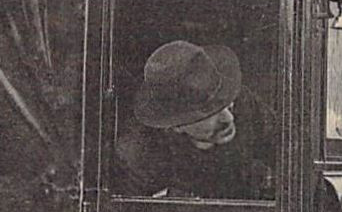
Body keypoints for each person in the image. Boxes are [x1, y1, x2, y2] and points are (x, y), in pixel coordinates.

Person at [116, 39, 274, 200]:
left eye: (226, 103)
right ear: (174, 126)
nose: (229, 118)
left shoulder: (246, 104)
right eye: (209, 112)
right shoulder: (140, 155)